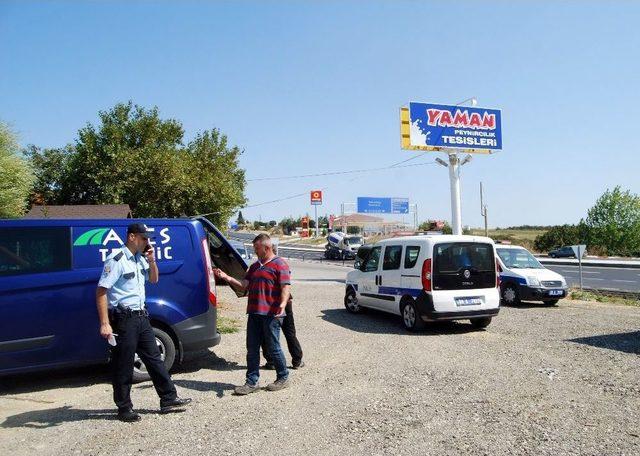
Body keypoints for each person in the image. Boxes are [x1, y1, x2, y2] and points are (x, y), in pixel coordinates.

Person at [96, 223, 191, 422]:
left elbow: (154, 279)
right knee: (123, 363)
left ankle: (168, 399)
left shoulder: (140, 259)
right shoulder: (117, 260)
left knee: (155, 359)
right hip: (124, 319)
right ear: (132, 237)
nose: (147, 241)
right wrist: (105, 323)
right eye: (144, 238)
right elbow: (101, 291)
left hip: (142, 317)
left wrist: (152, 260)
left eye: (148, 238)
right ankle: (124, 408)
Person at [213, 233, 290, 395]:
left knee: (273, 347)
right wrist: (227, 277)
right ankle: (251, 382)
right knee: (252, 349)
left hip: (271, 314)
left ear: (267, 248)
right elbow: (244, 285)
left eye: (257, 248)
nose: (255, 251)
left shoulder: (280, 264)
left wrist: (282, 306)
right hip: (254, 313)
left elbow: (285, 288)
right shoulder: (255, 267)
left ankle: (283, 377)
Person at [262, 295, 304, 370]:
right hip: (285, 301)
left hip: (266, 304)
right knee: (289, 333)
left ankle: (272, 361)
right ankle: (297, 360)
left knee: (267, 333)